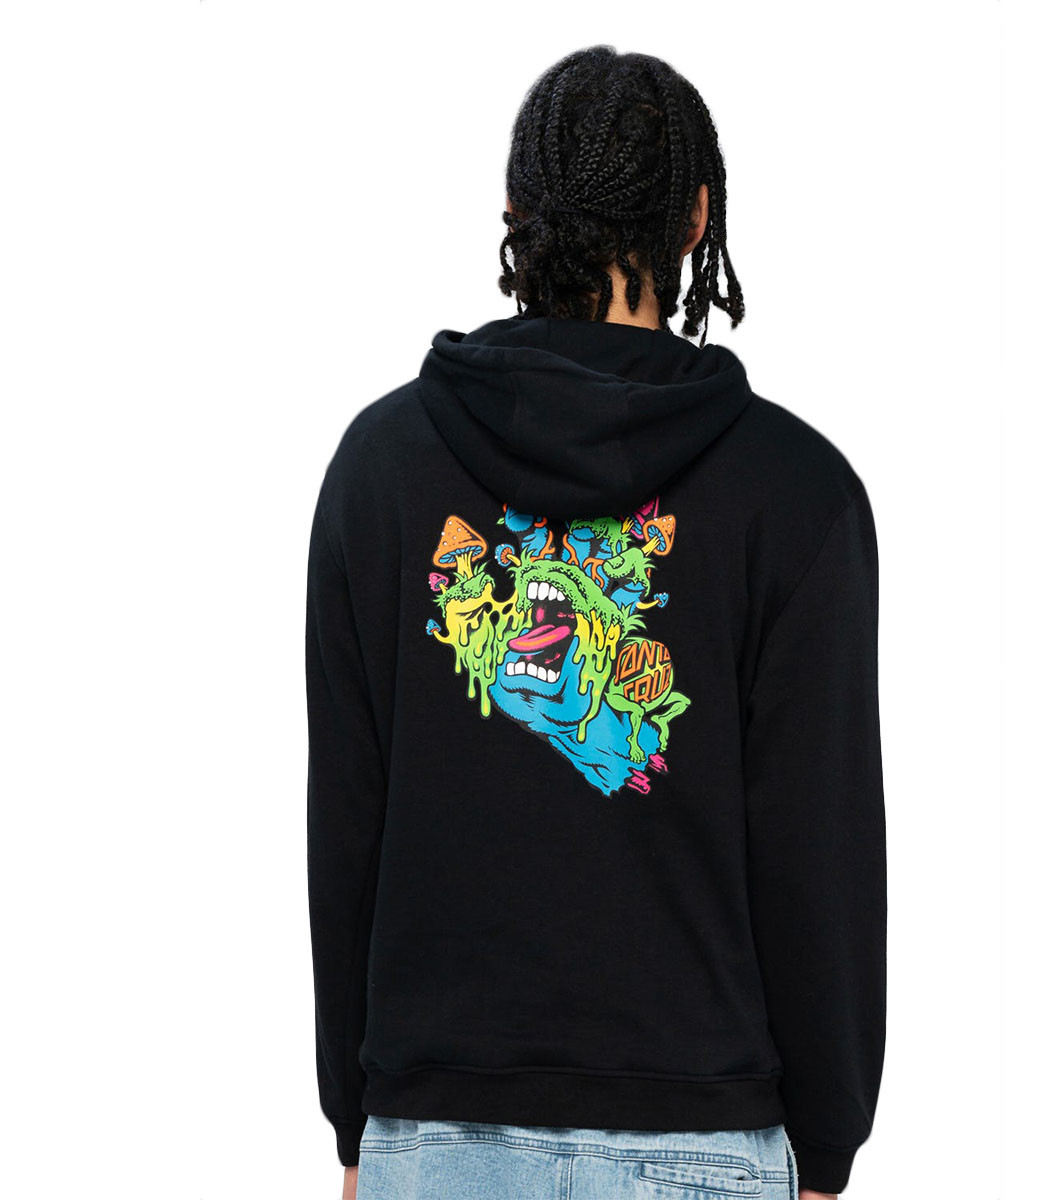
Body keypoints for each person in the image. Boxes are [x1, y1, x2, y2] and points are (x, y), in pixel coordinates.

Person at [307, 46, 886, 1200]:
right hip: (704, 1134)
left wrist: (356, 1125)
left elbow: (347, 827)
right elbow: (818, 849)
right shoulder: (798, 493)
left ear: (515, 210)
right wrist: (828, 1145)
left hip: (438, 1127)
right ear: (698, 219)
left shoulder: (382, 471)